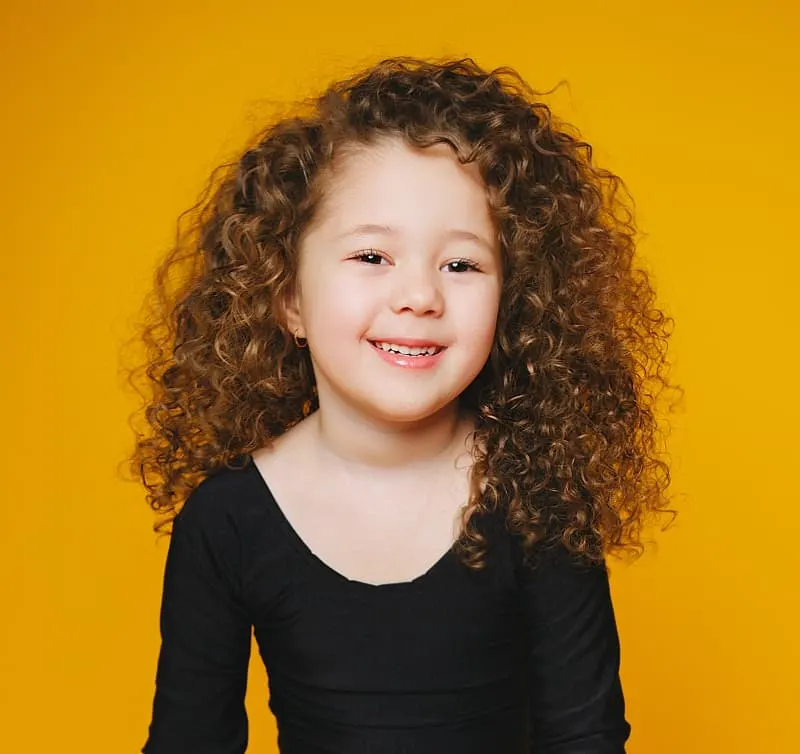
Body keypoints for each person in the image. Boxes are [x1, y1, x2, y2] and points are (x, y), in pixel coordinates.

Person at [127, 55, 677, 753]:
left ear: (514, 301)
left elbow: (585, 737)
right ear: (287, 296)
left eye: (461, 264)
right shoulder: (228, 518)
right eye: (372, 257)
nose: (419, 295)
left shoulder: (536, 496)